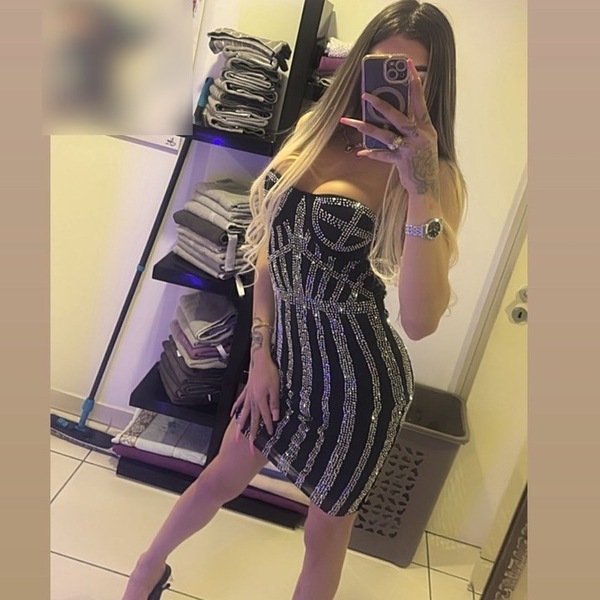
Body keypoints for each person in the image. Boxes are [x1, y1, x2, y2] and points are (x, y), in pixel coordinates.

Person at [121, 1, 466, 599]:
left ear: (437, 87)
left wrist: (420, 189)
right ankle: (146, 570)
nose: (398, 85)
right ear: (360, 64)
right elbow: (269, 254)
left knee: (322, 536)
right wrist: (260, 356)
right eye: (386, 66)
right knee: (219, 477)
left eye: (417, 75)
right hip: (283, 362)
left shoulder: (434, 178)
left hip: (359, 388)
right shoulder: (313, 130)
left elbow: (419, 321)